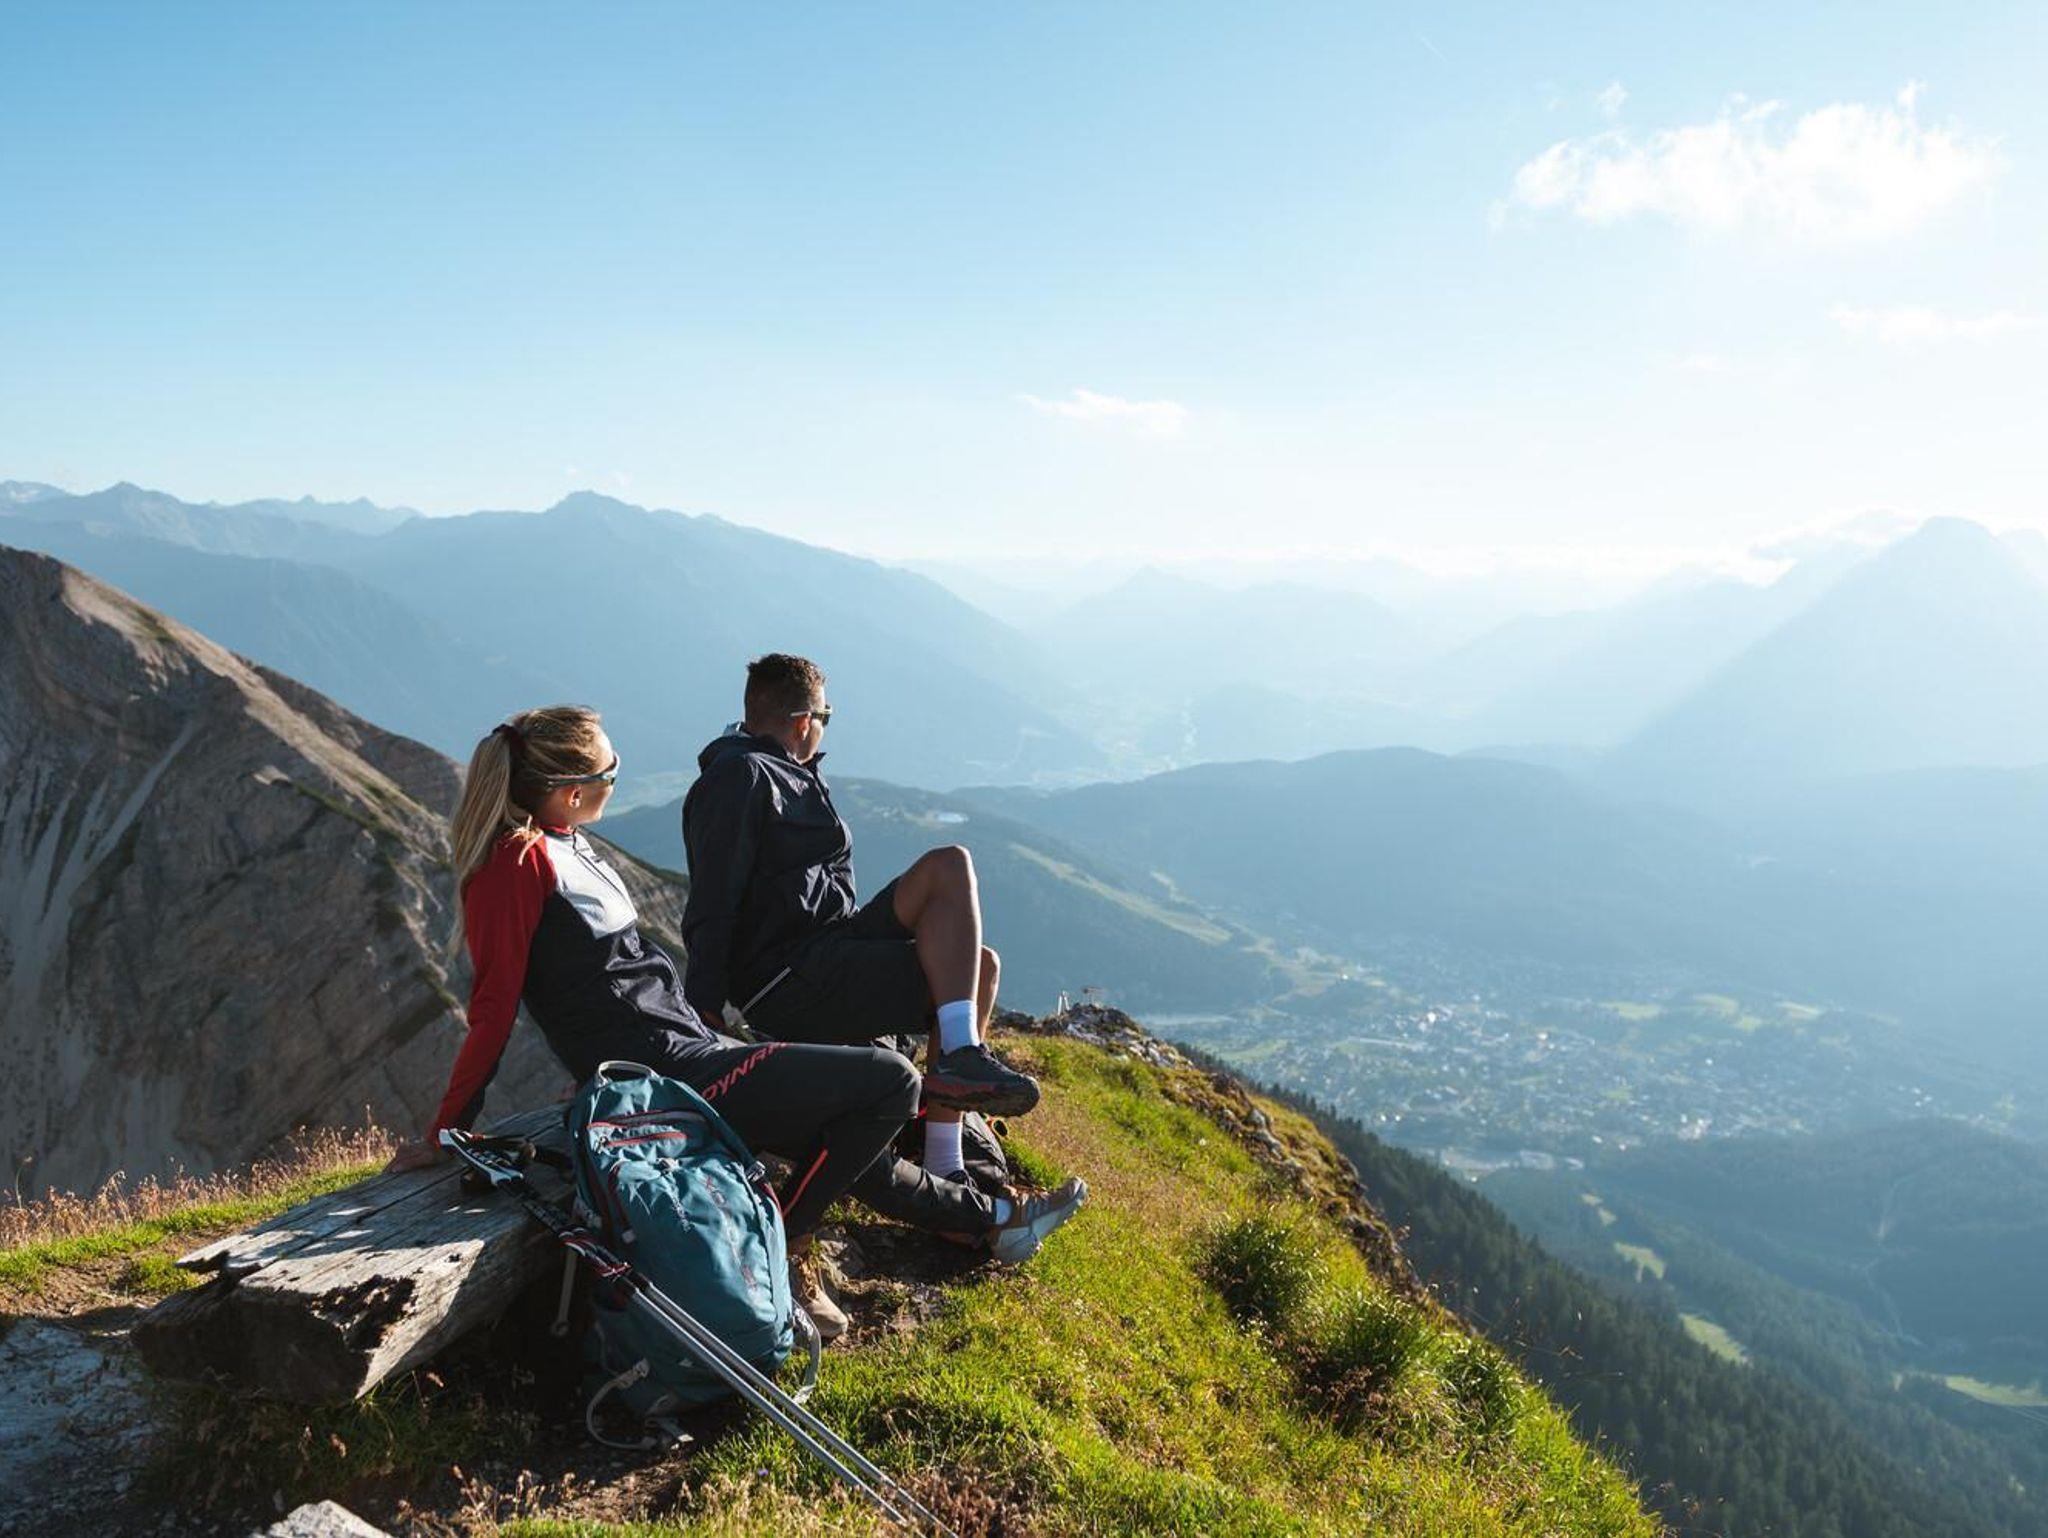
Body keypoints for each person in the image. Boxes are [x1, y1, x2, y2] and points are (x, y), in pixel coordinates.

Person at [387, 706, 1085, 1337]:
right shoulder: (515, 867)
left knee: (847, 1135)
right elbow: (493, 1007)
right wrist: (448, 1130)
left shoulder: (562, 841)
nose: (615, 782)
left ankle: (996, 1222)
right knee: (891, 1082)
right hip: (670, 1073)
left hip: (686, 1049)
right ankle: (784, 1243)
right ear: (571, 790)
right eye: (610, 772)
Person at [680, 654, 1039, 1189]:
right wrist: (704, 1008)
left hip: (829, 945)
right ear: (804, 721)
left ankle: (958, 1064)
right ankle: (945, 1161)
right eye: (826, 717)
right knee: (976, 973)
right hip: (787, 977)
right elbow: (714, 895)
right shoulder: (740, 776)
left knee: (951, 874)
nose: (825, 728)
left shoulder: (786, 770)